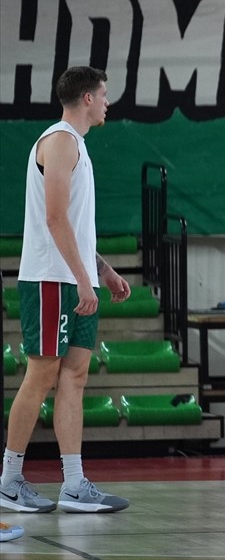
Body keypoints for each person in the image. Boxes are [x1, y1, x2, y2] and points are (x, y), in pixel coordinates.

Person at [0, 67, 132, 515]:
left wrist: (103, 271)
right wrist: (80, 277)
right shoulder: (59, 141)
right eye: (104, 93)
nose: (108, 101)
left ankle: (74, 484)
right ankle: (9, 480)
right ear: (88, 98)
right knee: (41, 375)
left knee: (75, 376)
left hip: (73, 275)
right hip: (51, 279)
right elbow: (54, 219)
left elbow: (74, 225)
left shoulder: (78, 146)